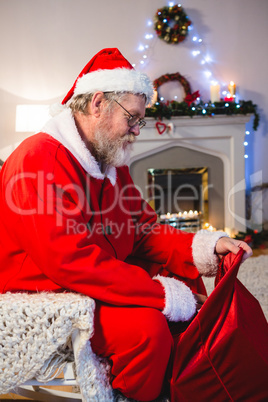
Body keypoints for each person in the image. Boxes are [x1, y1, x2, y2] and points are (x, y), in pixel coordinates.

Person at [0, 48, 252, 401]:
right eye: (132, 118)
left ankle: (179, 385)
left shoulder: (108, 160)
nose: (136, 130)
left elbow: (145, 228)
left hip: (93, 276)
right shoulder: (37, 159)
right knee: (147, 331)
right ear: (98, 103)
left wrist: (206, 245)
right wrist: (161, 295)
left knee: (184, 279)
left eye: (140, 121)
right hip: (51, 292)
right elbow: (70, 261)